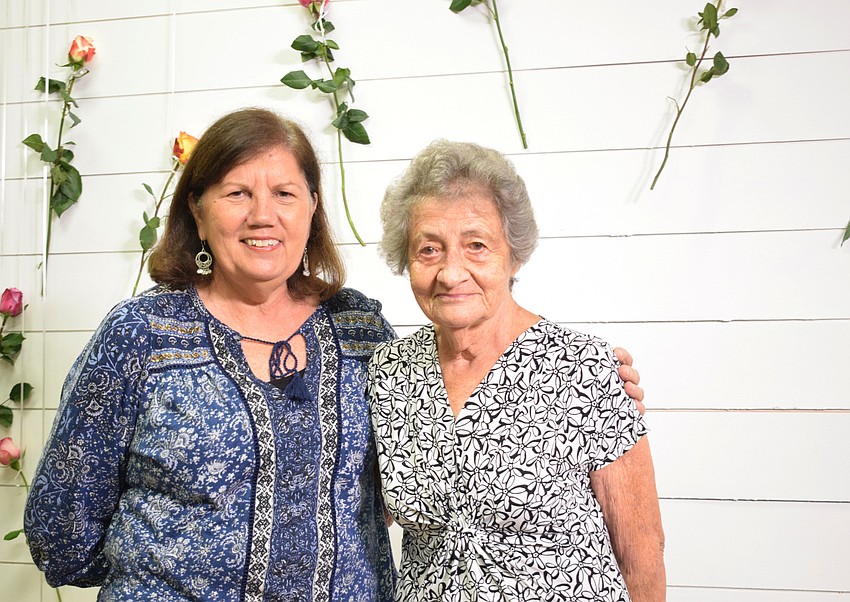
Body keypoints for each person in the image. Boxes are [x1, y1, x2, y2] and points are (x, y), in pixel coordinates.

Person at [23, 108, 397, 601]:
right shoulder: (141, 334)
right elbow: (61, 527)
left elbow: (408, 484)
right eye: (237, 193)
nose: (262, 214)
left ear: (312, 207)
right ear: (198, 211)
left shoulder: (361, 330)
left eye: (284, 193)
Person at [368, 140, 666, 601]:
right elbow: (366, 511)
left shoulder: (585, 369)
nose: (451, 272)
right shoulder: (387, 372)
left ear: (515, 254)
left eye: (477, 245)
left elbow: (641, 547)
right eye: (429, 249)